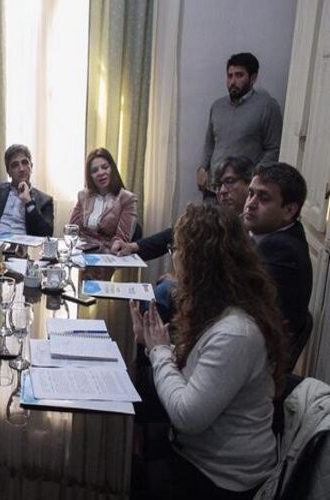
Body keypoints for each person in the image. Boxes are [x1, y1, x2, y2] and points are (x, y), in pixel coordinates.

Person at [131, 203, 285, 498]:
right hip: (202, 454)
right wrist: (152, 344)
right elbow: (202, 366)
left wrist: (159, 351)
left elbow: (187, 416)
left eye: (177, 249)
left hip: (221, 479)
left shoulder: (236, 332)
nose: (174, 256)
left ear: (198, 261)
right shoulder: (222, 307)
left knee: (126, 474)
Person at [113, 156, 254, 260]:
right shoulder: (217, 218)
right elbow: (175, 233)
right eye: (218, 185)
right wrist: (132, 247)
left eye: (230, 182)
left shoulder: (255, 224)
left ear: (250, 183)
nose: (222, 191)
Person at [243, 162, 312, 361]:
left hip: (258, 359)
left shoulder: (281, 249)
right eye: (251, 193)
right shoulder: (266, 230)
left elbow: (239, 302)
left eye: (264, 198)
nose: (251, 203)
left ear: (289, 210)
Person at [196, 52, 283, 197]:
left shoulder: (267, 106)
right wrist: (202, 169)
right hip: (213, 189)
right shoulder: (217, 106)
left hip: (242, 192)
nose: (233, 81)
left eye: (239, 75)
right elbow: (210, 144)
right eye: (230, 76)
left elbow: (274, 148)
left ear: (253, 78)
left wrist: (253, 175)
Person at [69, 148, 138, 252]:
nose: (100, 173)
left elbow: (121, 240)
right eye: (94, 171)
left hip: (109, 254)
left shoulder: (128, 199)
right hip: (82, 252)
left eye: (105, 167)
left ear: (112, 169)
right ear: (90, 176)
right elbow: (72, 230)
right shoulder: (83, 196)